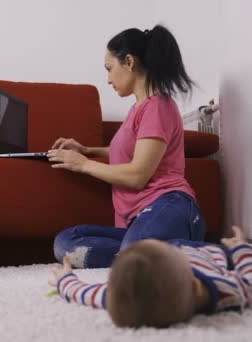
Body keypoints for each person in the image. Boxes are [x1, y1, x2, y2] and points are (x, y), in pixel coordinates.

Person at [47, 24, 205, 269]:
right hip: (139, 221)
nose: (108, 79)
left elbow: (137, 175)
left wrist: (83, 165)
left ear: (129, 62)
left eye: (110, 69)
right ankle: (149, 255)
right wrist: (88, 150)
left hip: (169, 205)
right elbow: (132, 152)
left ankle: (222, 254)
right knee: (66, 243)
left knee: (135, 250)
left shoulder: (158, 106)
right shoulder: (137, 109)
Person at [48, 226, 252, 328]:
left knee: (163, 245)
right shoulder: (224, 290)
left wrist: (64, 280)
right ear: (196, 286)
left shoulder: (121, 297)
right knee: (214, 249)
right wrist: (242, 251)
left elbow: (83, 293)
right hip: (211, 256)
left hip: (176, 249)